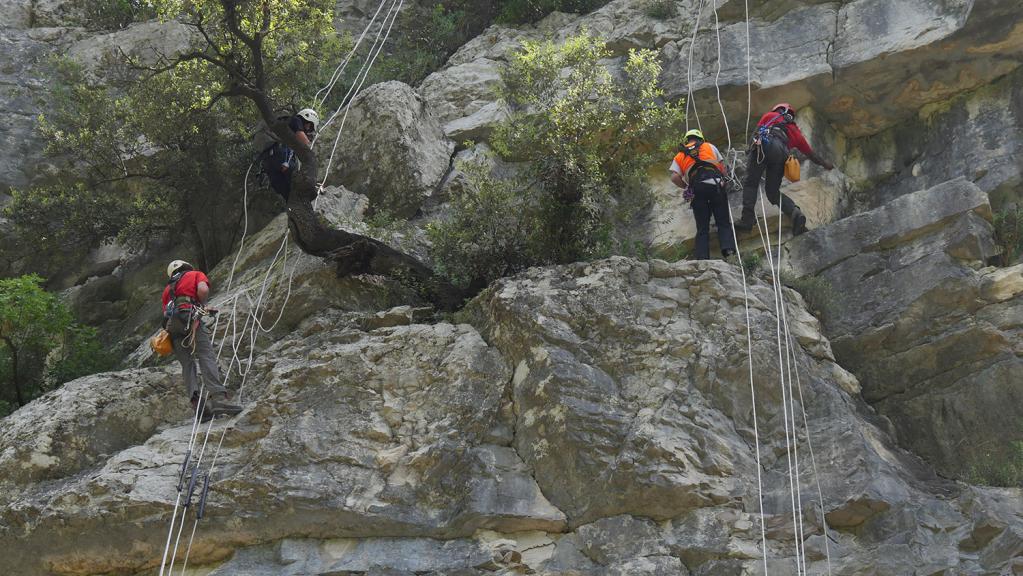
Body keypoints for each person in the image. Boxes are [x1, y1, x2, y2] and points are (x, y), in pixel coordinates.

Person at [734, 103, 834, 236]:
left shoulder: (770, 116)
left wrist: (750, 150)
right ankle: (795, 213)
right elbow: (811, 154)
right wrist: (826, 165)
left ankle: (747, 219)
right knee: (773, 192)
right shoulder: (795, 131)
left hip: (764, 145)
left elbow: (755, 134)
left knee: (751, 183)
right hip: (782, 154)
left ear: (778, 110)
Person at [162, 260, 241, 421]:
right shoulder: (195, 274)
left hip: (172, 327)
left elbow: (166, 312)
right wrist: (203, 305)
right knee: (205, 355)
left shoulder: (167, 289)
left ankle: (198, 407)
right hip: (190, 318)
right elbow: (203, 289)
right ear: (186, 266)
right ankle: (218, 398)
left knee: (187, 364)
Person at [670, 129, 737, 260]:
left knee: (702, 227)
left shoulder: (679, 155)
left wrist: (686, 186)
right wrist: (725, 179)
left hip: (696, 189)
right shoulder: (709, 146)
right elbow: (721, 167)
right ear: (701, 138)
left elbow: (674, 177)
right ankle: (728, 251)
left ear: (687, 140)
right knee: (722, 221)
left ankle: (702, 258)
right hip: (715, 184)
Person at [265, 108, 319, 201]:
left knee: (288, 193)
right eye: (309, 126)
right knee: (296, 176)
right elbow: (303, 139)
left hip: (269, 161)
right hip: (280, 154)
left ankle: (295, 204)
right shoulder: (296, 120)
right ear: (308, 119)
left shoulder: (287, 125)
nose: (308, 129)